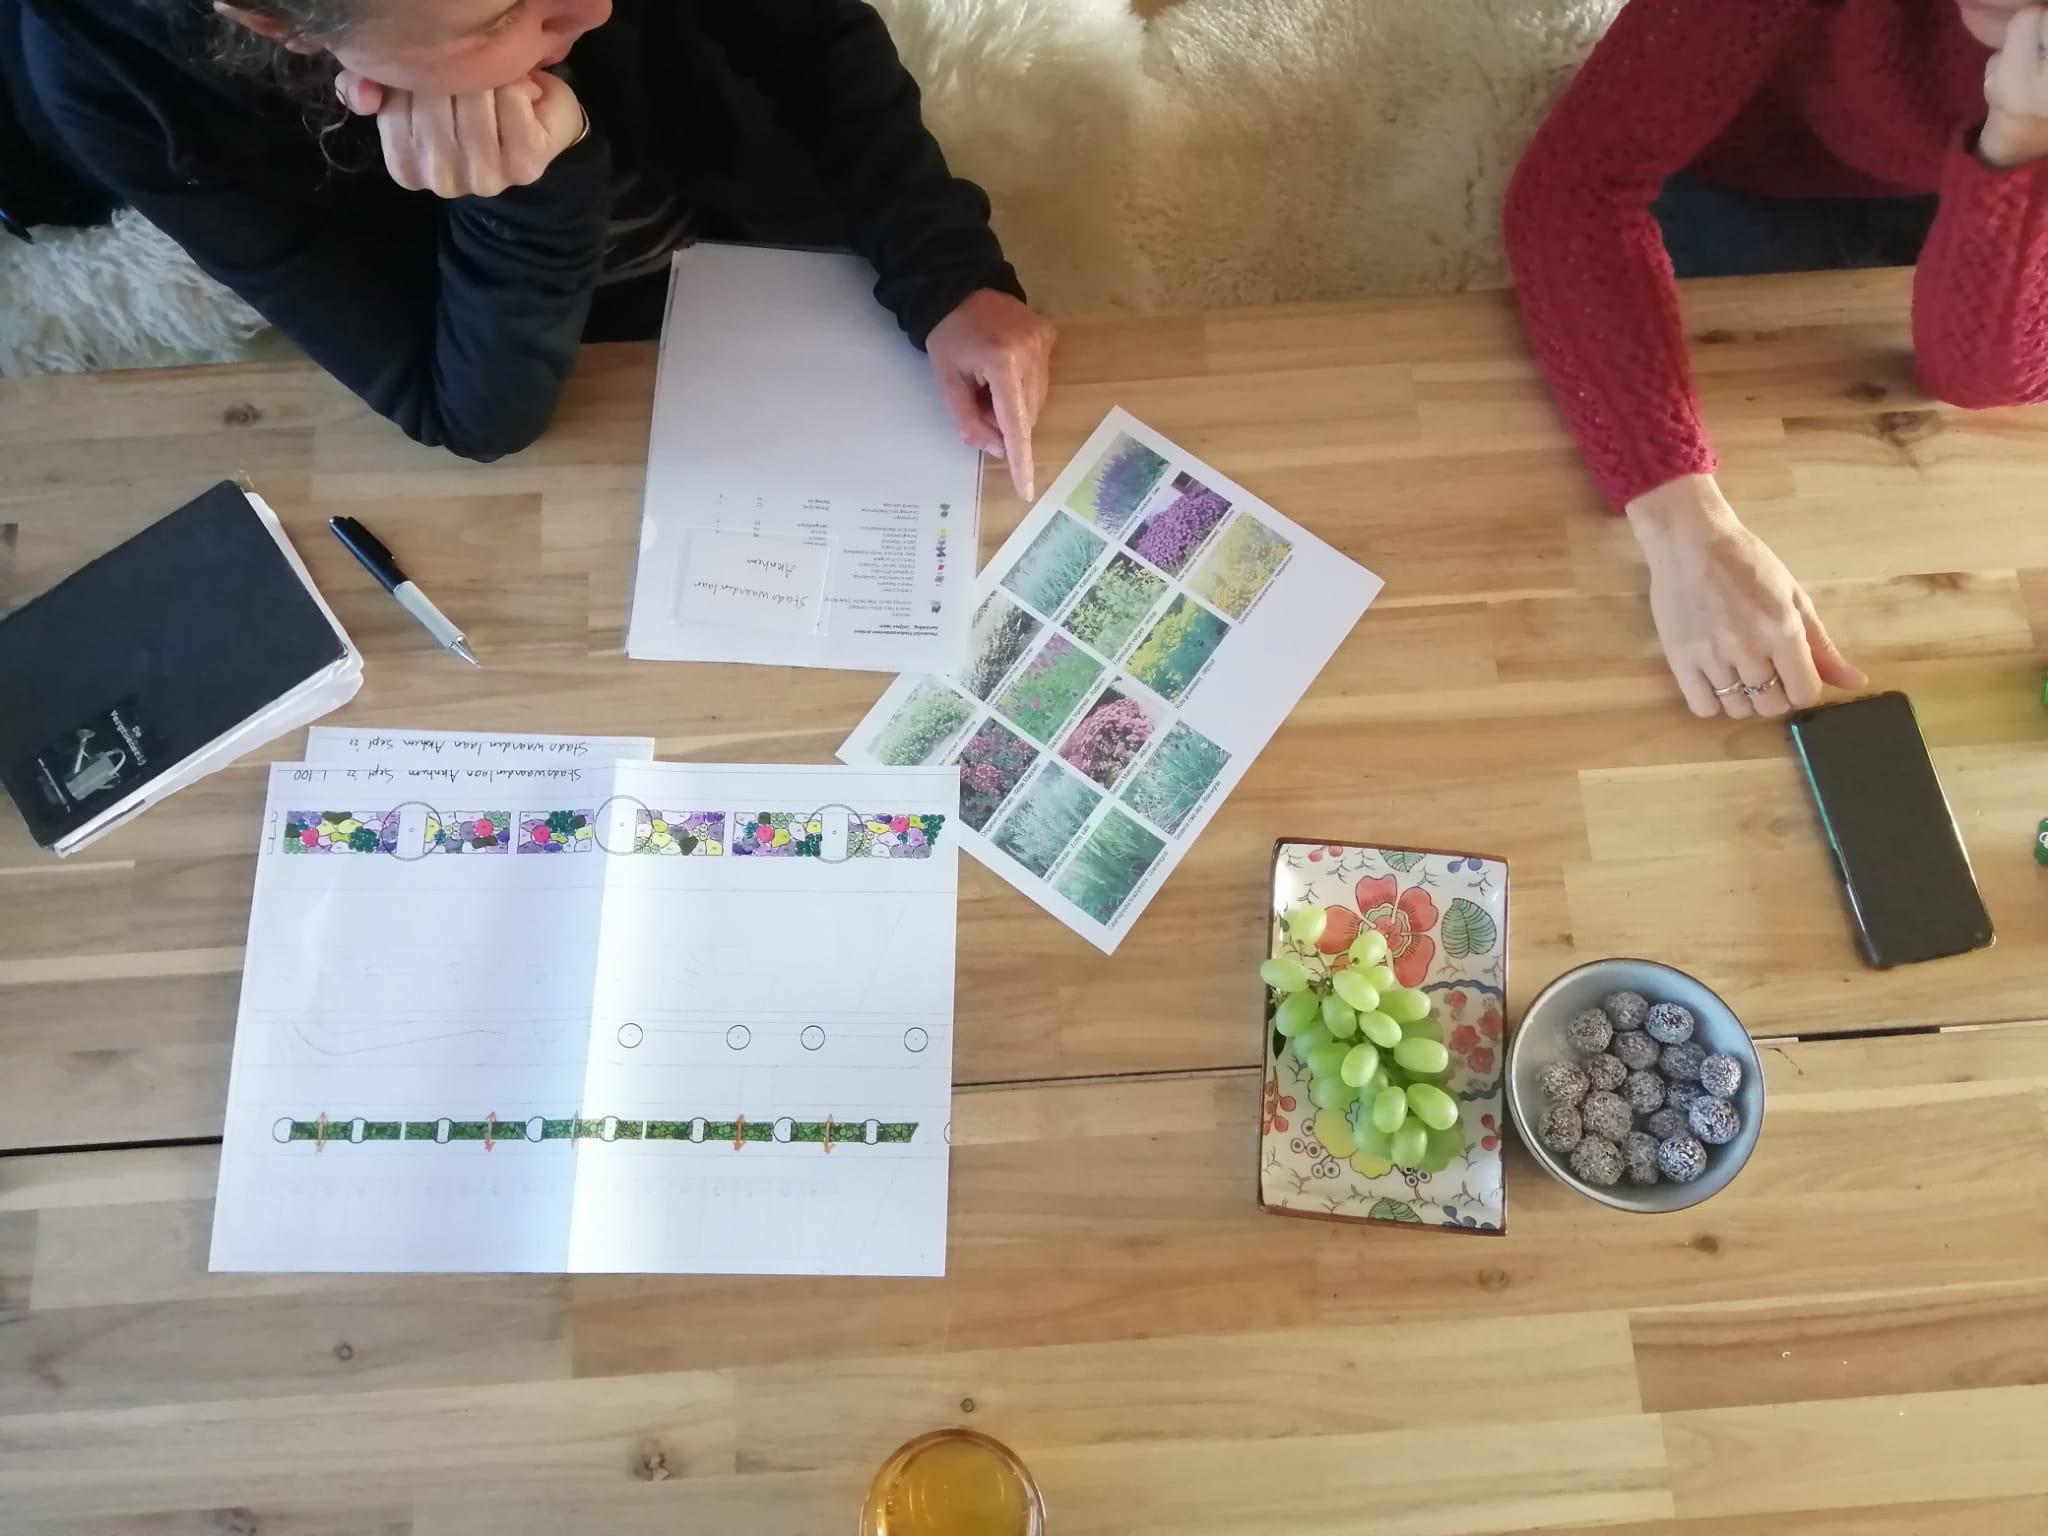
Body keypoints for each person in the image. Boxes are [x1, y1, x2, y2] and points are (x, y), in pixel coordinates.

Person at [0, 0, 1056, 494]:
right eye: (504, 12)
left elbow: (812, 36)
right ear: (286, 26)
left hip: (743, 209)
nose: (595, 6)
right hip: (532, 304)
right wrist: (528, 186)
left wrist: (948, 273)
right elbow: (466, 410)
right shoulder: (123, 93)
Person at [1505, 0, 2048, 720]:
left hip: (1950, 173)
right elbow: (1573, 188)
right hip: (1750, 156)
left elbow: (1981, 377)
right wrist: (1686, 528)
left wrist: (2016, 143)